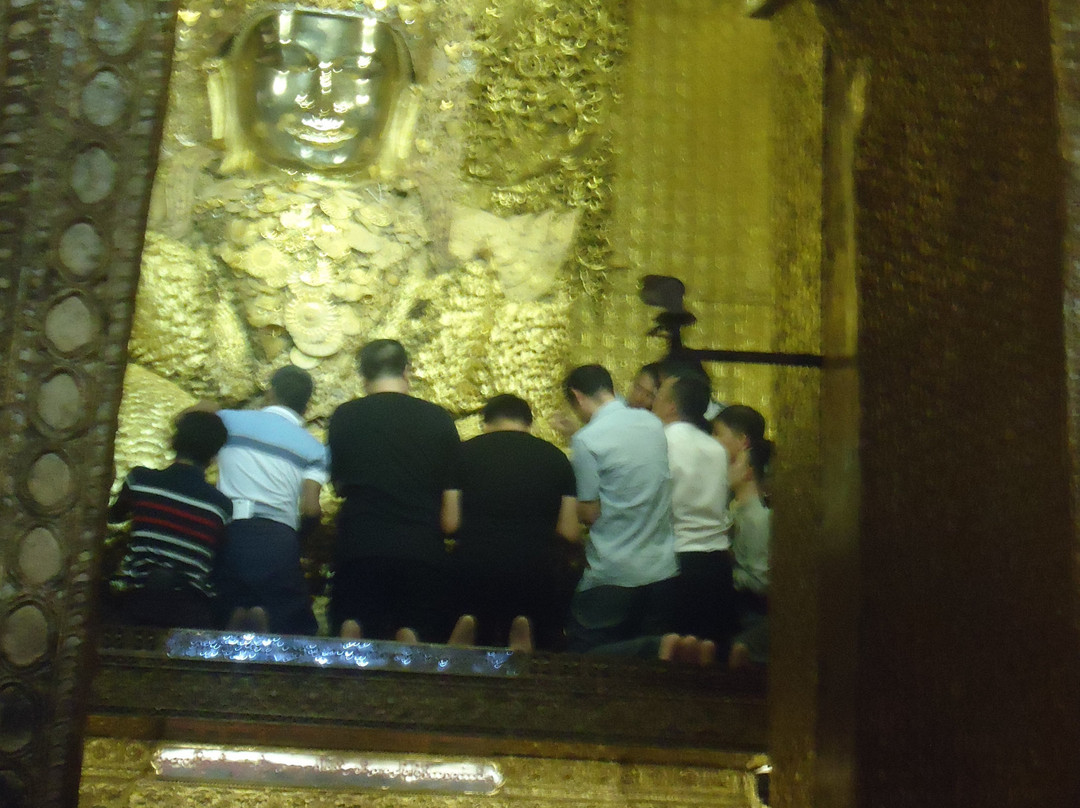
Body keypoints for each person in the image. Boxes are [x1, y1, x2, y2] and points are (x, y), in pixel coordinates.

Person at [327, 339, 463, 641]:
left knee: (353, 623)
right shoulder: (439, 419)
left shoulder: (344, 416)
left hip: (360, 544)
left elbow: (339, 484)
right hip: (421, 548)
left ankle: (353, 630)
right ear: (407, 370)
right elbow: (450, 508)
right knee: (416, 630)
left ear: (363, 375)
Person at [561, 364, 679, 652]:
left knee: (588, 659)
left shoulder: (587, 440)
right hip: (662, 572)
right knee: (648, 662)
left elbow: (590, 513)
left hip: (613, 574)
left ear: (578, 397)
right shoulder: (652, 423)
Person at [451, 394, 579, 649]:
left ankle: (466, 637)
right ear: (529, 424)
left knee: (473, 626)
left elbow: (450, 522)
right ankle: (523, 644)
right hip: (535, 571)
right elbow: (569, 531)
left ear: (485, 423)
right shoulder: (556, 458)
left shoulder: (461, 454)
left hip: (474, 568)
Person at [213, 366, 327, 635]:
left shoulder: (228, 421)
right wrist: (297, 537)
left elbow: (192, 422)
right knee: (288, 625)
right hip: (279, 538)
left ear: (271, 393)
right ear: (306, 405)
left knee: (221, 614)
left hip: (230, 530)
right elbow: (311, 509)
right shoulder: (316, 449)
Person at [107, 411, 232, 629]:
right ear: (214, 456)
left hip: (135, 604)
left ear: (173, 440)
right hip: (189, 614)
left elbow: (113, 517)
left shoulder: (140, 481)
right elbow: (218, 563)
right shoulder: (220, 507)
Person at [651, 373, 736, 646]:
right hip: (718, 561)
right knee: (713, 651)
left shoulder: (659, 442)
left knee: (676, 651)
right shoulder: (716, 448)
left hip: (678, 559)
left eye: (659, 396)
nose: (654, 401)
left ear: (671, 407)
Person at [720, 408, 773, 670]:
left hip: (752, 613)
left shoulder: (758, 519)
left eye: (734, 463)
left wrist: (727, 568)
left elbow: (762, 582)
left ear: (749, 472)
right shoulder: (734, 509)